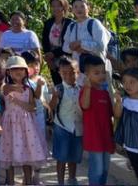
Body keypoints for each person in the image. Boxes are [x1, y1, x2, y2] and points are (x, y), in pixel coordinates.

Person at [0, 55, 48, 185]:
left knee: (27, 154)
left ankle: (28, 181)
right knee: (10, 153)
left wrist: (20, 101)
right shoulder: (6, 86)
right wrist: (18, 88)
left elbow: (33, 107)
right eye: (14, 69)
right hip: (11, 125)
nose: (18, 71)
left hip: (27, 126)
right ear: (8, 72)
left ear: (26, 71)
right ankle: (11, 182)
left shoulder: (29, 89)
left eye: (21, 69)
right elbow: (6, 89)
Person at [79, 55, 115, 185]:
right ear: (87, 74)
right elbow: (85, 105)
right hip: (94, 139)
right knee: (97, 169)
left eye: (103, 72)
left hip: (106, 137)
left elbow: (110, 116)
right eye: (96, 73)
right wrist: (88, 87)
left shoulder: (105, 93)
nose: (101, 75)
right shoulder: (85, 91)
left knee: (105, 169)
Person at [49, 57, 83, 185]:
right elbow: (51, 108)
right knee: (61, 156)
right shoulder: (58, 89)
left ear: (77, 72)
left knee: (73, 156)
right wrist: (54, 97)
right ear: (60, 73)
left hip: (77, 127)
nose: (69, 76)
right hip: (62, 127)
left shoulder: (81, 89)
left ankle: (72, 179)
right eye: (65, 73)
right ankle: (60, 182)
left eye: (72, 72)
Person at [63, 0, 112, 78]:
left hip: (97, 70)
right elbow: (65, 47)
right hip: (79, 70)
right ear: (72, 10)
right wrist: (72, 47)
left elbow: (101, 46)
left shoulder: (94, 23)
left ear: (88, 8)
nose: (79, 9)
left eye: (82, 6)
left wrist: (81, 44)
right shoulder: (71, 26)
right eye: (75, 7)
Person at [42, 0, 73, 85]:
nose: (56, 8)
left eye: (59, 5)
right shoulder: (48, 23)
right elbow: (45, 41)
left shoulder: (70, 23)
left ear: (64, 6)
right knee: (57, 85)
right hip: (52, 59)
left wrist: (54, 54)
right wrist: (49, 58)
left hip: (66, 58)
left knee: (68, 84)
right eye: (53, 6)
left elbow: (68, 44)